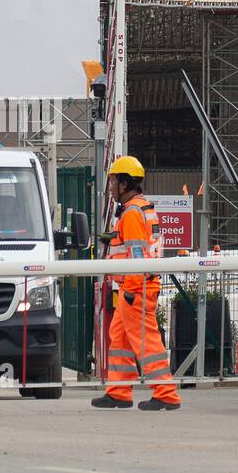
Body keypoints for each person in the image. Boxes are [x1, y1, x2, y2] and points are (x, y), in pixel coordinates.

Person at [91, 155, 182, 411]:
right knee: (119, 339)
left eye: (113, 182)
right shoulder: (142, 208)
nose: (110, 187)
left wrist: (130, 290)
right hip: (137, 286)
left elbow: (137, 255)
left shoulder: (131, 213)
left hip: (135, 288)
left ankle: (166, 393)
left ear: (124, 184)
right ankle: (119, 392)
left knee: (146, 342)